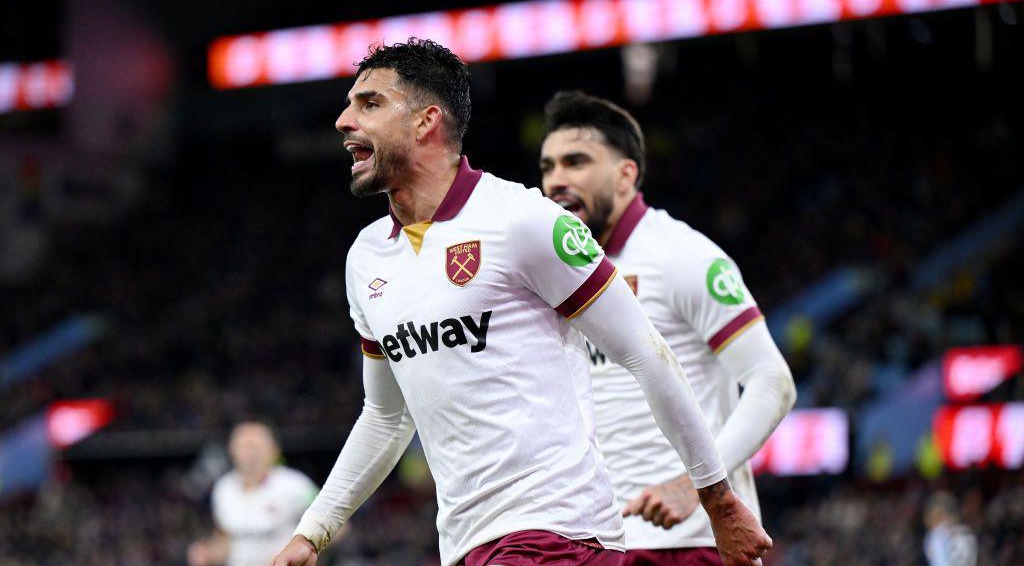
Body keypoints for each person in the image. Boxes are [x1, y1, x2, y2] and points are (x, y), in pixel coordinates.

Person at [270, 38, 770, 566]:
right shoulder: (367, 258)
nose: (344, 120)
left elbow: (646, 354)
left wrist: (716, 498)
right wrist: (312, 532)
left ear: (425, 122)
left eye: (369, 103)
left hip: (557, 533)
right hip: (467, 543)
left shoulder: (524, 220)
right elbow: (386, 415)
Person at [539, 90, 796, 566]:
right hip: (598, 540)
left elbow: (772, 382)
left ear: (625, 175)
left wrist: (696, 486)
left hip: (692, 542)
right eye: (549, 166)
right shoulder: (555, 273)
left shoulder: (681, 255)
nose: (557, 180)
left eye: (576, 162)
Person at [189, 421, 318, 566]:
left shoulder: (297, 485)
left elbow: (334, 526)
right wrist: (209, 554)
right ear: (232, 450)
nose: (250, 453)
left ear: (274, 450)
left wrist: (308, 549)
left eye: (256, 446)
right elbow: (226, 541)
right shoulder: (223, 488)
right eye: (244, 446)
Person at [923, 492, 978, 566]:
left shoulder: (962, 535)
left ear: (940, 514)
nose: (927, 520)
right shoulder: (933, 536)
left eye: (932, 515)